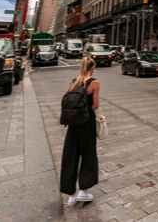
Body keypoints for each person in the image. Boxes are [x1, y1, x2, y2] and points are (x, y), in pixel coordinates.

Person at [60, 57, 100, 207]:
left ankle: (71, 194)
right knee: (88, 154)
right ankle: (83, 190)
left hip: (72, 123)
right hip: (86, 122)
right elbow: (95, 106)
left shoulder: (73, 81)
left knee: (70, 155)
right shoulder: (94, 83)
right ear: (92, 68)